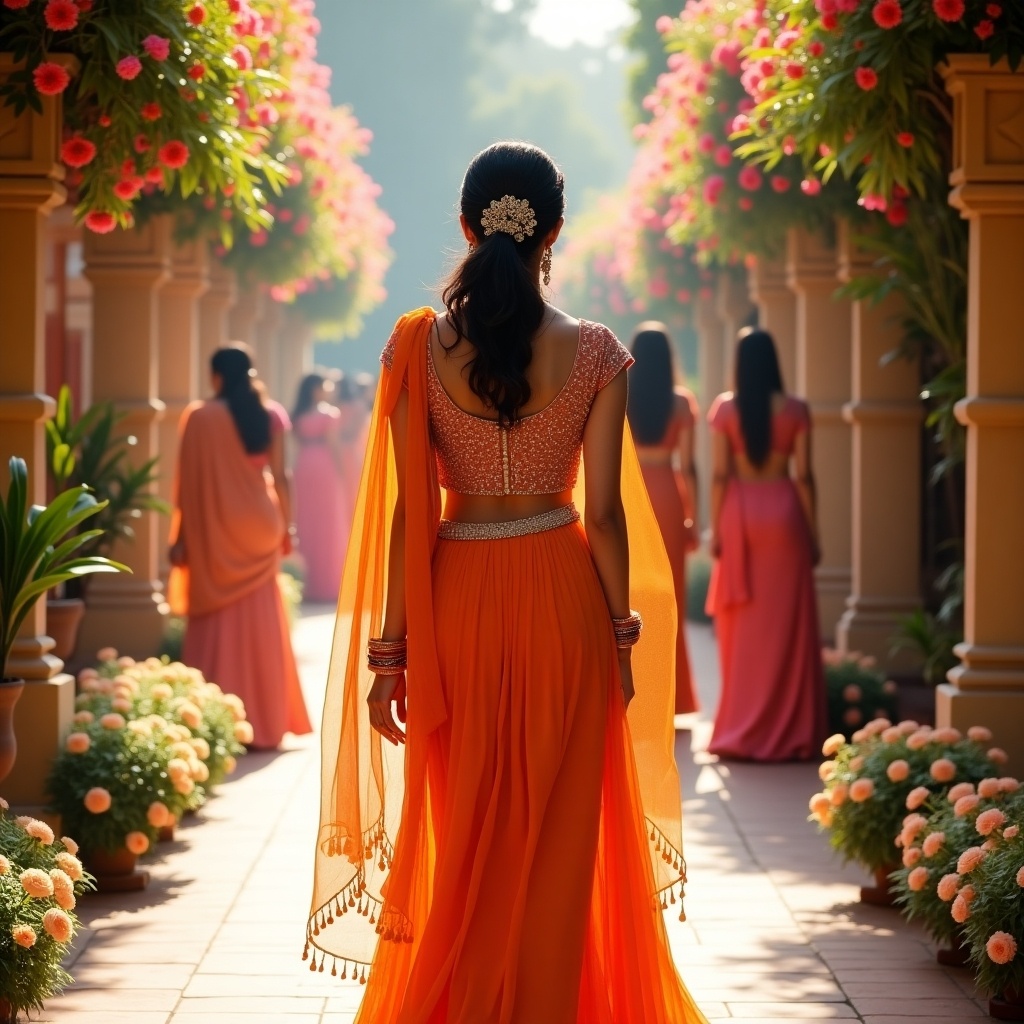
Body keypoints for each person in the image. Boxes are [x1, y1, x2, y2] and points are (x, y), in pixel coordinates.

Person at [308, 143, 708, 1024]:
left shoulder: (418, 347)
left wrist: (389, 658)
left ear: (464, 223)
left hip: (457, 602)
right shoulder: (597, 351)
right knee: (564, 837)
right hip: (563, 601)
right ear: (555, 230)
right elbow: (604, 516)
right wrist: (622, 635)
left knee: (468, 836)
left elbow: (412, 513)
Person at [168, 345, 313, 750]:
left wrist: (181, 539)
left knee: (216, 618)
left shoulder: (199, 417)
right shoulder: (270, 414)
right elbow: (281, 475)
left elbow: (189, 486)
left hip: (217, 527)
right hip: (261, 524)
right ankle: (267, 721)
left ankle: (213, 726)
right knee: (262, 618)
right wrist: (288, 528)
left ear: (216, 376)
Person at [705, 328, 826, 761]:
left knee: (743, 633)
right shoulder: (796, 410)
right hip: (785, 514)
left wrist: (716, 529)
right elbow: (806, 476)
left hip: (741, 518)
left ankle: (741, 729)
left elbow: (720, 475)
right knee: (789, 628)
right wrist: (814, 534)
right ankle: (791, 733)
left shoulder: (726, 409)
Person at [628, 323, 700, 715]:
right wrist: (693, 518)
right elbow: (688, 467)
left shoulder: (621, 397)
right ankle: (673, 696)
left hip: (634, 495)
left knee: (634, 592)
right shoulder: (680, 403)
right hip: (669, 498)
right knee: (671, 595)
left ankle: (639, 690)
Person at [292, 372, 349, 602]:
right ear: (316, 388)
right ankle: (328, 584)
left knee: (306, 521)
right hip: (324, 466)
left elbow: (297, 440)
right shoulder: (329, 414)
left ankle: (307, 583)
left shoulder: (299, 414)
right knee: (329, 521)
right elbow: (334, 445)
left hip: (304, 463)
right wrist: (342, 473)